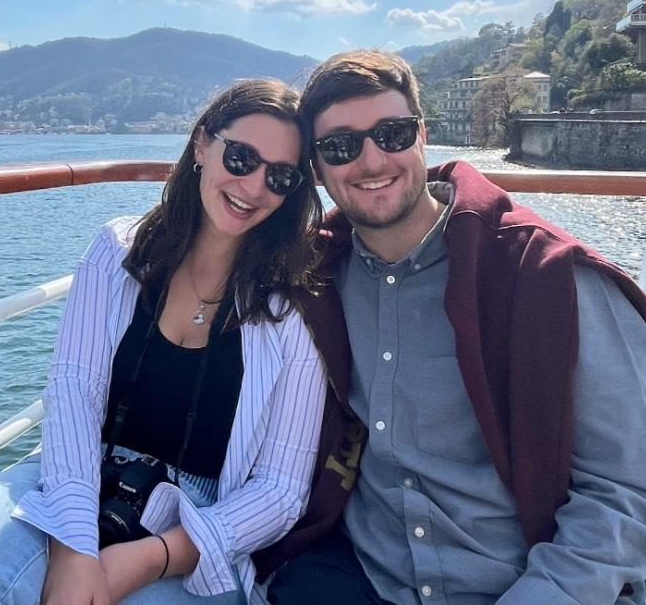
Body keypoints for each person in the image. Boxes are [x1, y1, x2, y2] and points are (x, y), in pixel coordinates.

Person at [0, 78, 327, 605]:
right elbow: (74, 393)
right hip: (78, 471)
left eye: (279, 176)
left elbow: (280, 489)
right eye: (241, 158)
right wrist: (73, 547)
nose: (254, 187)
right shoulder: (117, 254)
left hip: (203, 524)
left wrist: (146, 559)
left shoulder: (291, 307)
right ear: (202, 144)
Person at [259, 51, 646, 605]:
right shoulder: (318, 274)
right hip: (366, 574)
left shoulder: (548, 276)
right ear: (317, 169)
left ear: (422, 136)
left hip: (528, 585)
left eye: (391, 134)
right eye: (341, 147)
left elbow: (627, 489)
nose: (371, 161)